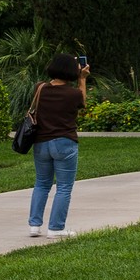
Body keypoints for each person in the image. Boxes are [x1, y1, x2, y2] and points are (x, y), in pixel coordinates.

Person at [26, 53, 88, 238]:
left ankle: (34, 226)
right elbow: (82, 103)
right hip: (64, 142)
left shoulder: (40, 88)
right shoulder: (73, 93)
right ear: (71, 71)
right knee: (63, 187)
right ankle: (56, 228)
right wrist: (82, 79)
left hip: (41, 143)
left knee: (42, 184)